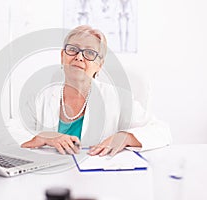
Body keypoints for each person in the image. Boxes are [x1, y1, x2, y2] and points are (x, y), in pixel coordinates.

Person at [12, 25, 171, 156]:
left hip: (98, 180)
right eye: (73, 49)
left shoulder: (117, 98)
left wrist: (126, 137)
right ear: (62, 56)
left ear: (99, 65)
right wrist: (42, 137)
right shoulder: (41, 97)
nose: (79, 57)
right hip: (49, 177)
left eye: (89, 53)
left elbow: (162, 131)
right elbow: (8, 132)